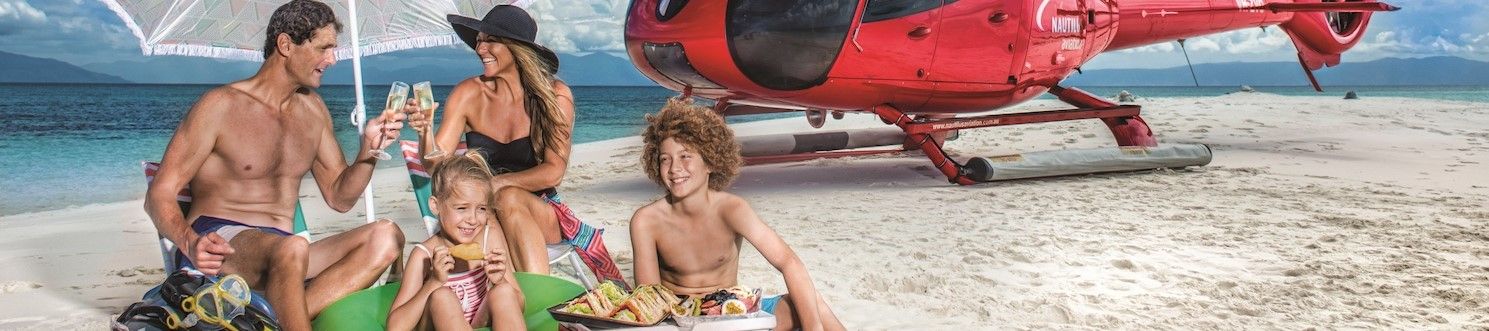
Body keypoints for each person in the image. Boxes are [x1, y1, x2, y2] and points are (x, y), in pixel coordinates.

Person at [142, 0, 405, 329]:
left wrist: (368, 150)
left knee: (386, 237)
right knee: (292, 248)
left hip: (284, 256)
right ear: (286, 44)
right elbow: (158, 195)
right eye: (324, 48)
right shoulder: (220, 106)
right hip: (220, 246)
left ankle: (261, 319)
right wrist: (189, 241)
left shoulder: (313, 112)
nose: (332, 59)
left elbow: (340, 197)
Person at [407, 5, 621, 283]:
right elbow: (436, 165)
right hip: (483, 212)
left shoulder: (555, 96)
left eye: (490, 40)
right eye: (479, 40)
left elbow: (553, 171)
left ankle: (537, 298)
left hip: (539, 211)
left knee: (507, 197)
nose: (480, 48)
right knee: (491, 211)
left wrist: (496, 185)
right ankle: (516, 307)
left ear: (517, 48)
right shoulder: (468, 94)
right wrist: (424, 132)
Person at [628, 98, 846, 331]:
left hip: (733, 314)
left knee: (812, 303)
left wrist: (813, 328)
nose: (674, 168)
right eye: (665, 159)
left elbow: (788, 262)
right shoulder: (646, 221)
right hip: (680, 320)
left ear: (710, 162)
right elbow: (649, 299)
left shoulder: (732, 209)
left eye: (685, 156)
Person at [387, 151, 524, 331]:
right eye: (462, 208)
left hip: (475, 322)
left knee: (505, 292)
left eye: (481, 209)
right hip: (435, 324)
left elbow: (519, 304)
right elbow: (395, 327)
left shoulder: (489, 237)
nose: (473, 219)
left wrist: (500, 282)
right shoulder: (423, 255)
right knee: (442, 296)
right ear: (436, 206)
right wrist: (434, 282)